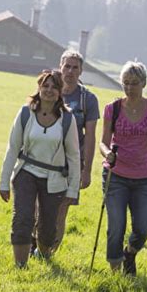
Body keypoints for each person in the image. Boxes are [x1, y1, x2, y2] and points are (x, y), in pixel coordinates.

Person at [99, 61, 147, 276]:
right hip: (115, 175)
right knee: (116, 226)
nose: (129, 88)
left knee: (143, 229)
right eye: (125, 83)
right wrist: (108, 154)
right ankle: (116, 274)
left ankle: (130, 252)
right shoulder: (112, 109)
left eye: (134, 83)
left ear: (144, 83)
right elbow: (103, 142)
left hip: (144, 178)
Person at [0, 70, 80, 268]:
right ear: (39, 88)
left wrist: (73, 189)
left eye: (54, 87)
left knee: (48, 229)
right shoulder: (26, 113)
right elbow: (12, 148)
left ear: (60, 92)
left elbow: (74, 156)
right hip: (26, 172)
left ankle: (42, 254)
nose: (49, 90)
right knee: (23, 218)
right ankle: (21, 264)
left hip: (54, 178)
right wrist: (4, 182)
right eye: (45, 85)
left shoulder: (67, 120)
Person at [52, 49, 100, 250]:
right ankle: (35, 244)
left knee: (61, 209)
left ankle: (49, 252)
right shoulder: (48, 89)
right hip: (44, 158)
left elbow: (90, 137)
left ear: (81, 71)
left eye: (75, 67)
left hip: (71, 163)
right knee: (39, 206)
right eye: (67, 66)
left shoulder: (87, 99)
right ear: (60, 66)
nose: (70, 71)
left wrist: (86, 170)